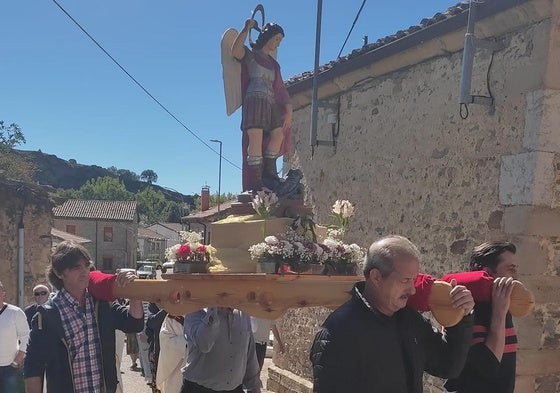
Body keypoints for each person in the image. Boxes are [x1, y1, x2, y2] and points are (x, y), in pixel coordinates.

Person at [310, 235, 475, 393]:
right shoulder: (338, 333)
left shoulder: (409, 320)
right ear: (376, 277)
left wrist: (461, 317)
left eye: (413, 280)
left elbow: (447, 366)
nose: (412, 290)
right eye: (405, 280)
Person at [24, 240, 144, 393]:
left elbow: (134, 323)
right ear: (59, 272)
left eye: (87, 265)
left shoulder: (101, 305)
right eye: (76, 267)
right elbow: (33, 367)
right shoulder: (46, 316)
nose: (85, 271)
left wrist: (135, 289)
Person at [443, 241, 519, 393]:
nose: (516, 275)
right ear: (488, 273)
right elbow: (488, 365)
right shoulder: (466, 310)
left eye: (516, 268)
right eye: (511, 269)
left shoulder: (500, 305)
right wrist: (499, 313)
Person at [231, 18, 293, 192]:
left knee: (278, 134)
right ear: (268, 37)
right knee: (256, 138)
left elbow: (280, 89)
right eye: (276, 39)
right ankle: (256, 181)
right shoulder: (251, 55)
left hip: (270, 102)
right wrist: (246, 28)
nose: (277, 44)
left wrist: (288, 109)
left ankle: (270, 175)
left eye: (280, 41)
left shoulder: (274, 65)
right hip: (255, 99)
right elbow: (235, 51)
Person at [181, 306, 261, 393]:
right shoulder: (195, 311)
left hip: (234, 390)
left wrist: (254, 386)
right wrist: (214, 308)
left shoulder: (243, 315)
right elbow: (204, 344)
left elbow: (249, 353)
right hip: (198, 389)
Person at [0, 279, 30, 392]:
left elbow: (26, 336)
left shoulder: (15, 312)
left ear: (3, 294)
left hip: (9, 368)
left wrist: (17, 360)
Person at [156, 314, 187, 393]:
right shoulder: (173, 316)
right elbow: (165, 340)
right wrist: (188, 340)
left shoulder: (206, 313)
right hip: (177, 369)